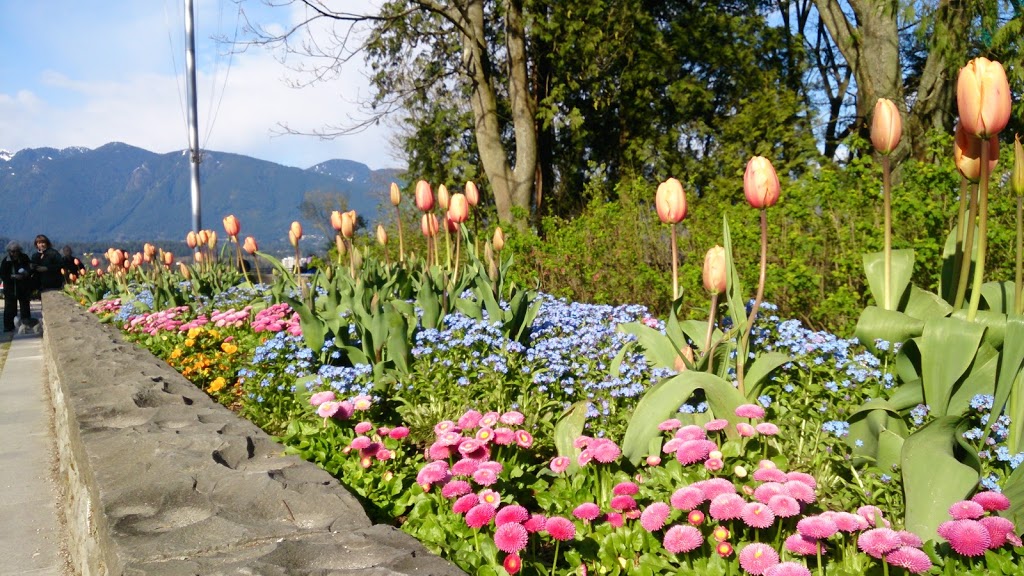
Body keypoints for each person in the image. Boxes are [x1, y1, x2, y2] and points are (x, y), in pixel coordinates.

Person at [1, 241, 35, 332]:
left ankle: (26, 326)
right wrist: (12, 276)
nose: (14, 253)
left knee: (25, 309)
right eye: (12, 251)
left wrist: (25, 274)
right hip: (10, 289)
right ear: (9, 251)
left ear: (19, 250)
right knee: (9, 310)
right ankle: (8, 327)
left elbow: (30, 268)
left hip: (23, 288)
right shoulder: (6, 261)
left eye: (16, 251)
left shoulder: (24, 258)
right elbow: (3, 275)